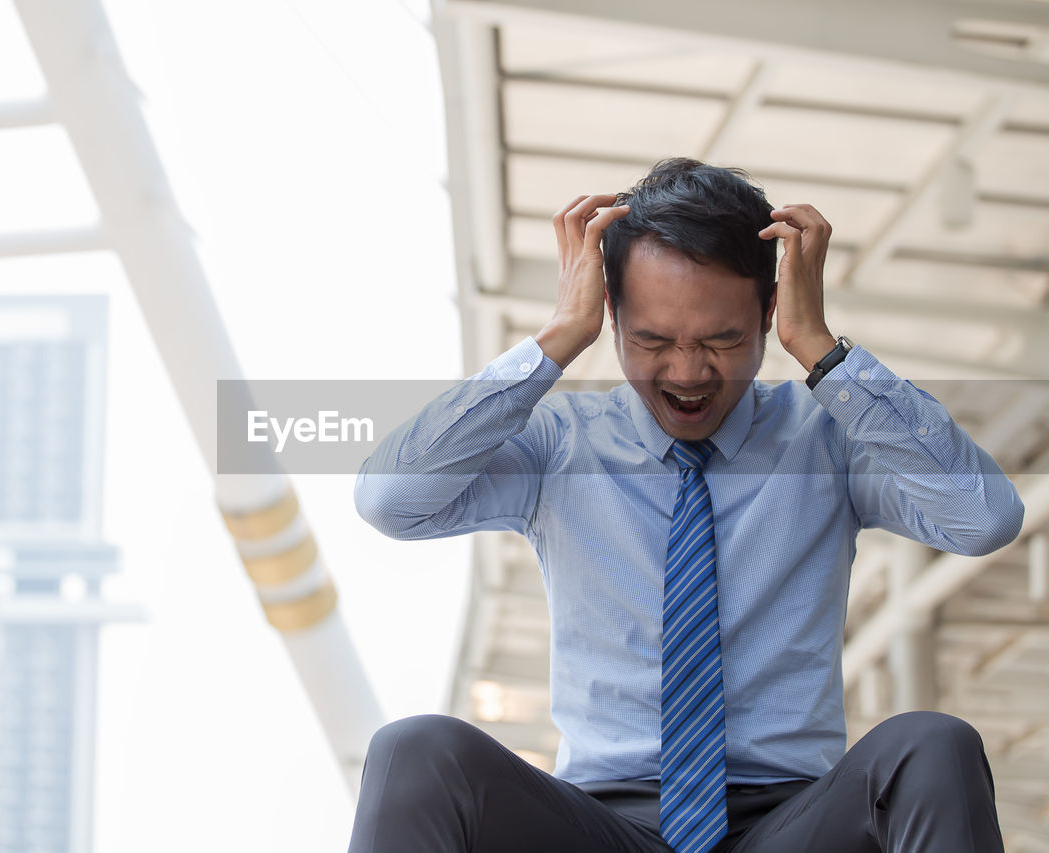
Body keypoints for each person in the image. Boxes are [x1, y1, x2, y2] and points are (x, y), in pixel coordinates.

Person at [347, 158, 1025, 852]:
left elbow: (984, 518)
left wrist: (825, 354)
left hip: (790, 826)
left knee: (933, 745)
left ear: (769, 314)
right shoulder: (561, 445)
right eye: (652, 340)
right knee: (415, 750)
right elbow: (390, 498)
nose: (687, 373)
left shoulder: (829, 441)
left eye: (722, 340)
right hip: (602, 827)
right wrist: (555, 340)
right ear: (611, 317)